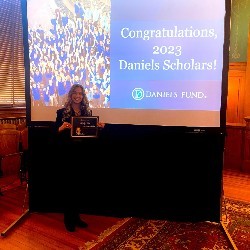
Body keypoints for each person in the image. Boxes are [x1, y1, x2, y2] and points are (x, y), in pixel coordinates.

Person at [55, 83, 93, 232]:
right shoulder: (61, 112)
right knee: (68, 187)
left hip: (82, 155)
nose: (78, 96)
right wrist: (61, 128)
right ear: (71, 95)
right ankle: (68, 219)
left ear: (83, 96)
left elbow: (88, 133)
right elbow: (55, 132)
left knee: (79, 187)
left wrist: (97, 127)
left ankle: (76, 217)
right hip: (67, 155)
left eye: (81, 94)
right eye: (75, 93)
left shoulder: (87, 112)